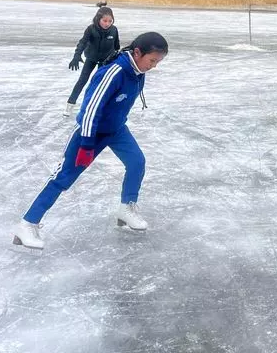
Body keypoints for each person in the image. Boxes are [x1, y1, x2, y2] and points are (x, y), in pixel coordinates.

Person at [13, 32, 169, 250]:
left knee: (137, 162)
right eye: (152, 60)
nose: (154, 66)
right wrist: (86, 144)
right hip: (90, 133)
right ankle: (27, 224)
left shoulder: (137, 71)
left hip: (116, 131)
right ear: (137, 52)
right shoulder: (114, 72)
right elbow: (90, 109)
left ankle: (126, 209)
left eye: (158, 62)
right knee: (63, 177)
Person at [65, 4, 120, 117]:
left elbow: (116, 47)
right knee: (82, 80)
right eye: (104, 20)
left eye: (110, 21)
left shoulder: (114, 30)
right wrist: (76, 56)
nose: (107, 23)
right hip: (91, 58)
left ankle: (94, 106)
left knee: (99, 84)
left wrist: (115, 59)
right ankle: (70, 104)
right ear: (98, 19)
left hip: (105, 61)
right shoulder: (91, 29)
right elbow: (82, 43)